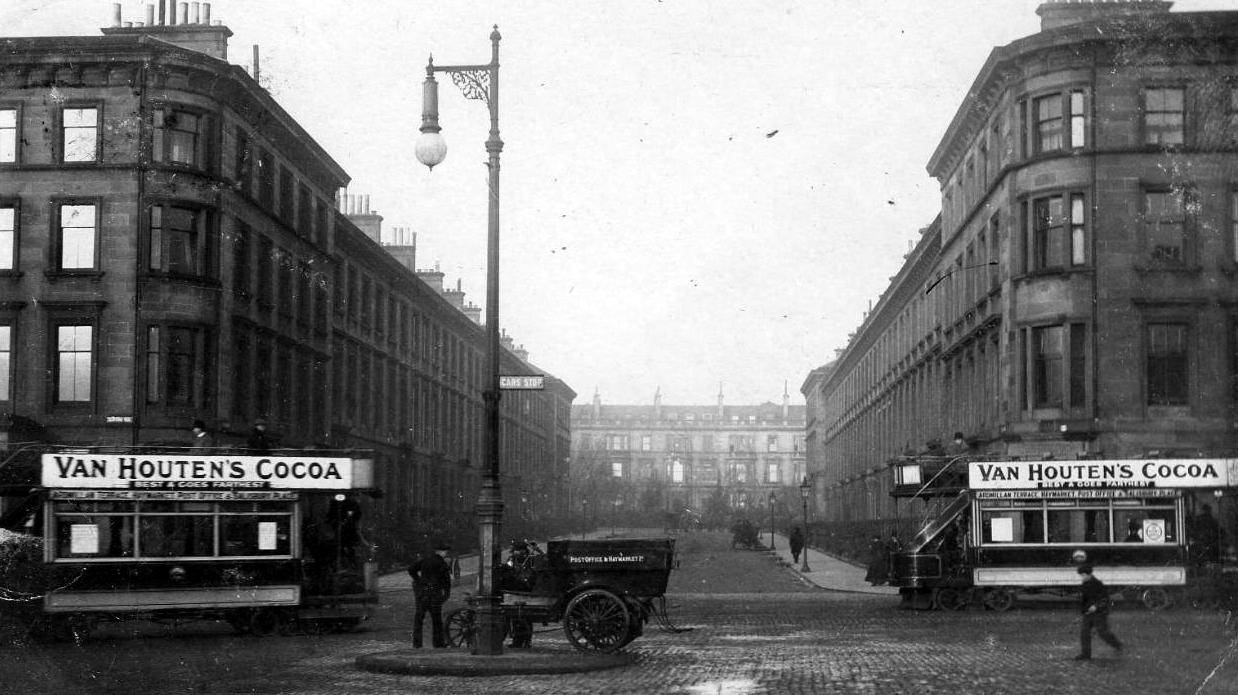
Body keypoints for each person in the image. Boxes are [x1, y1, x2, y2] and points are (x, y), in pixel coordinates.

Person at [407, 542, 453, 648]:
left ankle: (417, 643)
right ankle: (438, 643)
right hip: (435, 593)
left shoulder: (425, 560)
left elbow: (411, 569)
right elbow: (446, 581)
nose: (446, 553)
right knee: (437, 620)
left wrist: (418, 580)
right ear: (441, 552)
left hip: (422, 592)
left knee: (419, 618)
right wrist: (446, 593)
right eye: (445, 551)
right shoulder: (442, 563)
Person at [1074, 564, 1122, 661]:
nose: (1082, 577)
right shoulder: (1085, 584)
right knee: (1085, 633)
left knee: (1103, 632)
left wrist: (1096, 606)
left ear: (1088, 574)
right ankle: (1086, 654)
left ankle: (1117, 645)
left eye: (1083, 575)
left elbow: (1105, 599)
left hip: (1099, 613)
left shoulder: (1097, 584)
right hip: (1088, 613)